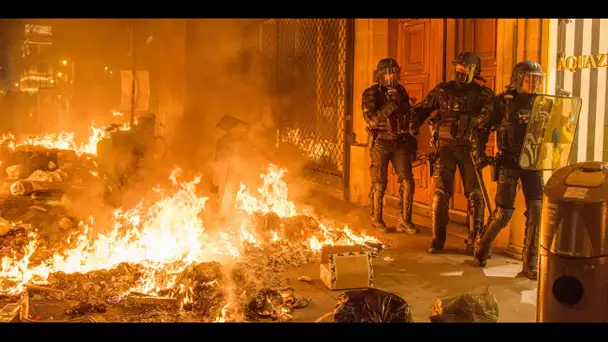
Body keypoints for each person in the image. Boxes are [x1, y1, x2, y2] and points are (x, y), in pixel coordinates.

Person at [409, 52, 494, 254]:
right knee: (440, 194)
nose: (462, 72)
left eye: (467, 69)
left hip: (470, 149)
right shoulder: (442, 91)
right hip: (445, 148)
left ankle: (476, 239)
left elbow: (493, 117)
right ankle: (437, 239)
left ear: (476, 71)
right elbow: (422, 109)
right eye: (459, 68)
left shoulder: (484, 94)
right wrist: (413, 124)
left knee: (475, 195)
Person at [471, 60, 546, 280]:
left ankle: (530, 264)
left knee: (537, 209)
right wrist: (479, 154)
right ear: (516, 79)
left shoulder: (542, 102)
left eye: (537, 80)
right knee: (504, 213)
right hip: (508, 160)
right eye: (529, 79)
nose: (533, 84)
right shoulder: (501, 102)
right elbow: (479, 128)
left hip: (533, 160)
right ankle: (482, 247)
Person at [361, 58, 418, 235]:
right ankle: (376, 218)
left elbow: (406, 114)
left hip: (400, 142)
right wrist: (391, 103)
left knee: (407, 181)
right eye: (388, 72)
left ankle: (404, 220)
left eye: (394, 72)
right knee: (379, 183)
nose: (392, 76)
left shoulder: (401, 91)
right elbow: (371, 120)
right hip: (380, 143)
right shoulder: (371, 94)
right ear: (380, 75)